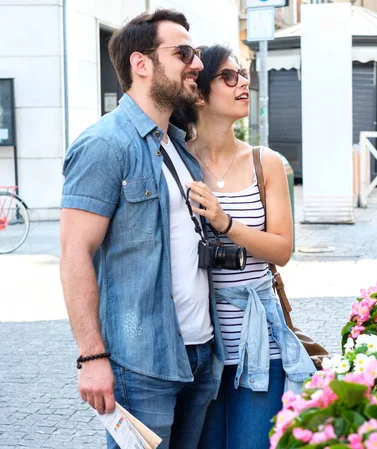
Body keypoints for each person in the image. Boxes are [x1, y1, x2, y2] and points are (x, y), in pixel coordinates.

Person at [59, 9, 225, 448]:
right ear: (141, 63)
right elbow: (75, 253)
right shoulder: (104, 144)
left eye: (199, 53)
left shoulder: (177, 146)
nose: (197, 64)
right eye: (184, 53)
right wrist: (92, 357)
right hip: (142, 363)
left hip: (200, 352)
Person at [170, 44, 316, 449]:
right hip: (200, 349)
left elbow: (282, 250)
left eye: (244, 75)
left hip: (260, 345)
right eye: (229, 77)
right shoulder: (177, 163)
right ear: (199, 94)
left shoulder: (265, 162)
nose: (243, 84)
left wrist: (225, 222)